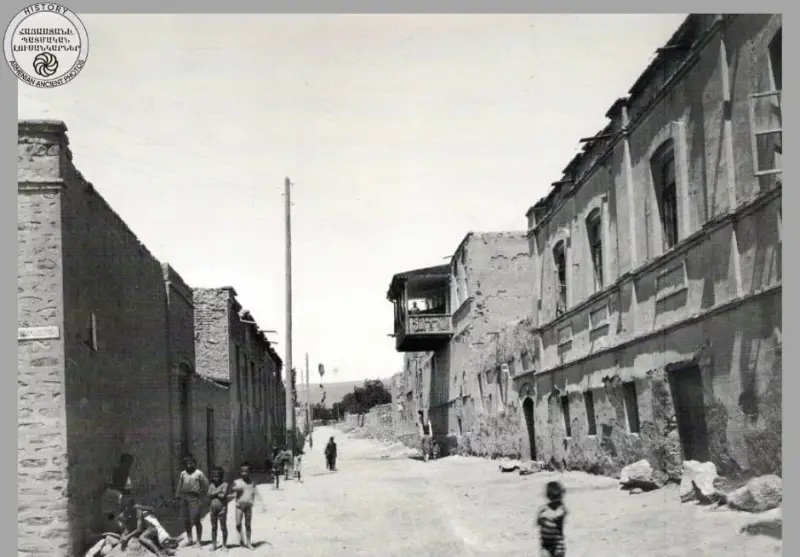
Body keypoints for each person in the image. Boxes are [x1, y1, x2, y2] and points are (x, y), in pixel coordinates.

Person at [175, 454, 209, 546]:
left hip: (194, 498)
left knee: (196, 520)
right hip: (184, 498)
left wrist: (201, 497)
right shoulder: (183, 473)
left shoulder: (199, 473)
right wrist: (177, 495)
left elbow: (206, 485)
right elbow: (179, 485)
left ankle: (198, 541)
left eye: (190, 463)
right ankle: (190, 539)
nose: (189, 465)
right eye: (187, 464)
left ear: (194, 463)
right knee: (186, 520)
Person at [230, 462, 265, 549]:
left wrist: (260, 504)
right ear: (240, 472)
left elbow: (255, 493)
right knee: (238, 524)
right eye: (242, 471)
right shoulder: (237, 482)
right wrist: (236, 489)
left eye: (246, 471)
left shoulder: (252, 483)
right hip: (239, 506)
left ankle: (248, 542)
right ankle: (241, 538)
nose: (244, 473)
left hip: (248, 506)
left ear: (250, 472)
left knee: (248, 525)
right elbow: (231, 489)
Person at [537, 481, 568, 557]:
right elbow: (538, 521)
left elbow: (558, 515)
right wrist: (540, 519)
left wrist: (545, 516)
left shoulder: (561, 508)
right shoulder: (544, 509)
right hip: (545, 544)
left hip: (557, 545)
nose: (559, 500)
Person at [207, 467, 230, 550]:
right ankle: (214, 545)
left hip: (222, 509)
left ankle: (224, 545)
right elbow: (208, 495)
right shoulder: (211, 485)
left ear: (221, 476)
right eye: (214, 477)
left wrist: (214, 493)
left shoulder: (225, 484)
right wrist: (218, 491)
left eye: (217, 477)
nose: (215, 478)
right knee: (213, 527)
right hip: (213, 509)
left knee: (223, 527)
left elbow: (223, 496)